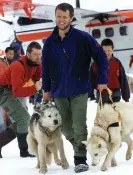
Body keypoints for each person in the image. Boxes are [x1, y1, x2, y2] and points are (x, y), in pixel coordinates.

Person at [42, 3, 109, 173]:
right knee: (64, 126)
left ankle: (80, 159)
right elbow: (46, 67)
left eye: (65, 17)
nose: (61, 20)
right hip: (58, 91)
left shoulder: (83, 38)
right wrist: (46, 89)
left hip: (79, 88)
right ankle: (82, 146)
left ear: (71, 18)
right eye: (59, 16)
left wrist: (102, 78)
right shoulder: (50, 42)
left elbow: (101, 56)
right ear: (55, 17)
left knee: (79, 125)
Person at [0, 41, 42, 158]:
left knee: (21, 120)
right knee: (24, 118)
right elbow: (17, 91)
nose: (38, 57)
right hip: (2, 91)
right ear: (27, 53)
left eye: (40, 54)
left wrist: (38, 86)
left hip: (7, 90)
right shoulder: (18, 66)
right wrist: (34, 88)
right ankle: (25, 151)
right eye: (35, 54)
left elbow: (36, 78)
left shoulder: (37, 64)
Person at [90, 38, 130, 103]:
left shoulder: (117, 63)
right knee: (103, 112)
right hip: (101, 95)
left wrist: (126, 97)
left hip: (115, 94)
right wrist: (90, 94)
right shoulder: (95, 64)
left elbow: (123, 80)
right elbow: (91, 80)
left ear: (112, 50)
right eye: (104, 51)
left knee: (114, 111)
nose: (107, 53)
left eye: (109, 50)